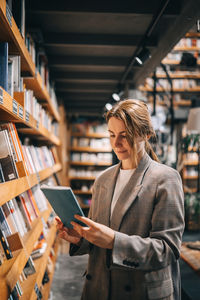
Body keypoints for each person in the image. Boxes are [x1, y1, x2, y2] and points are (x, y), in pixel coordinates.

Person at [56, 99, 185, 300]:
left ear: (146, 134)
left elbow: (167, 250)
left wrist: (115, 242)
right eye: (112, 135)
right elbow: (98, 238)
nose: (116, 143)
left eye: (125, 136)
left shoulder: (165, 179)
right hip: (99, 287)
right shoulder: (102, 180)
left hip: (139, 290)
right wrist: (80, 239)